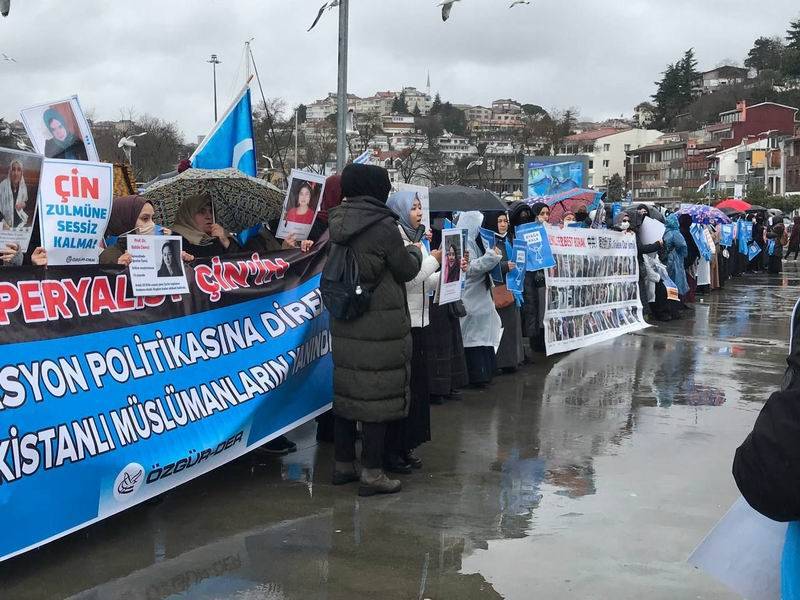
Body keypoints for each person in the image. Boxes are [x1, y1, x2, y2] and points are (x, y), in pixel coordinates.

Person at [328, 164, 422, 497]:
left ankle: (343, 466)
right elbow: (406, 270)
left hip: (345, 320)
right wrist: (414, 249)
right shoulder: (383, 226)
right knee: (377, 398)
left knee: (348, 393)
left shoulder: (337, 221)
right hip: (378, 322)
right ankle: (372, 472)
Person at [383, 190, 441, 474]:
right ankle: (393, 450)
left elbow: (424, 283)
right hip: (403, 323)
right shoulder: (397, 239)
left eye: (420, 207)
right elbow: (407, 279)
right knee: (402, 391)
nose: (419, 212)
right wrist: (434, 261)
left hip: (421, 322)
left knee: (416, 391)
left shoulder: (419, 241)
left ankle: (406, 447)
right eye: (414, 207)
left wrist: (449, 272)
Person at [422, 212, 469, 405]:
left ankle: (447, 384)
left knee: (449, 344)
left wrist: (458, 263)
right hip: (430, 301)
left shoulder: (447, 230)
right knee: (436, 347)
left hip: (445, 296)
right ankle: (436, 388)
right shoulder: (417, 240)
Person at [456, 211, 503, 387]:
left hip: (481, 297)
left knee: (482, 336)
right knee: (473, 337)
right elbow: (469, 268)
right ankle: (476, 375)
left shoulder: (479, 240)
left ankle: (485, 372)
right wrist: (491, 258)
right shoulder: (465, 241)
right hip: (470, 296)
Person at [100, 195, 195, 266]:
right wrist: (118, 266)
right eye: (145, 219)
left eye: (152, 218)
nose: (152, 225)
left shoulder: (160, 251)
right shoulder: (109, 256)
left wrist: (181, 260)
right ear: (125, 220)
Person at [483, 211, 524, 373]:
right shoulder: (490, 243)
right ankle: (500, 362)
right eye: (499, 221)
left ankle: (513, 360)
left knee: (513, 327)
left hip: (512, 289)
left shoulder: (510, 240)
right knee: (500, 327)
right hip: (498, 290)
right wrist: (505, 266)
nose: (502, 224)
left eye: (505, 221)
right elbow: (487, 266)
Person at [170, 193, 241, 258]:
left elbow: (242, 263)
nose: (209, 216)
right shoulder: (174, 239)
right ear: (188, 215)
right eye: (202, 211)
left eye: (211, 211)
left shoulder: (221, 236)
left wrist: (225, 240)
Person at [663, 215, 689, 304]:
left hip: (665, 258)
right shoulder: (675, 233)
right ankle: (675, 302)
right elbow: (682, 245)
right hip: (674, 259)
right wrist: (682, 254)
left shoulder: (664, 231)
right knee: (676, 280)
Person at [0, 159, 28, 229]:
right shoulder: (3, 185)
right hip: (4, 221)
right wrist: (3, 222)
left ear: (21, 173)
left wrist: (23, 204)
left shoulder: (22, 186)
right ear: (10, 171)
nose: (16, 173)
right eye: (13, 169)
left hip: (20, 221)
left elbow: (25, 202)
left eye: (19, 170)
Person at [678, 213, 699, 304]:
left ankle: (686, 298)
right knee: (690, 280)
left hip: (685, 261)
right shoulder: (686, 232)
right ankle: (689, 298)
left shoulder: (681, 231)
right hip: (689, 261)